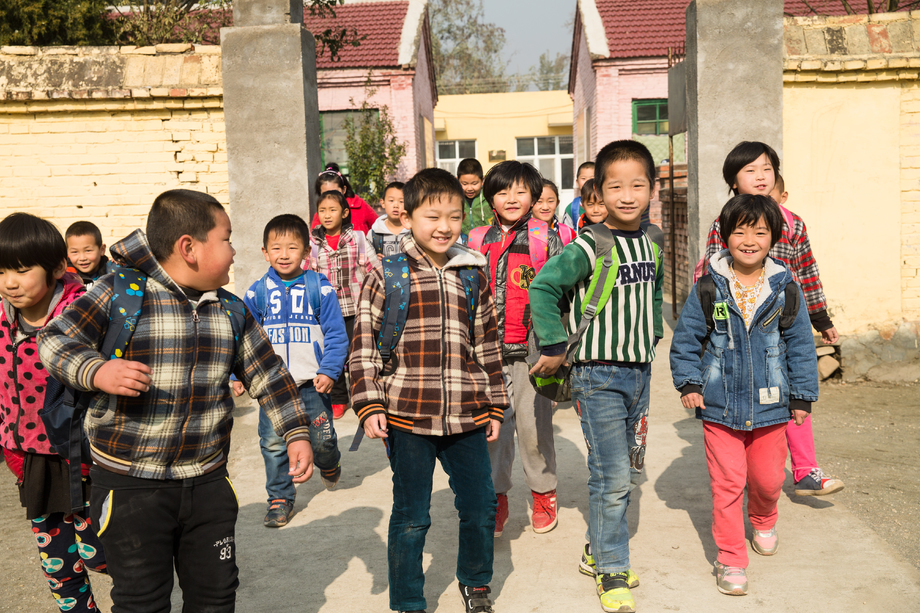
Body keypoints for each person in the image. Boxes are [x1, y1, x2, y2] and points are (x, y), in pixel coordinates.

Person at [37, 189, 315, 612]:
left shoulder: (231, 311)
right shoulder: (120, 295)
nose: (235, 251)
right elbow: (54, 340)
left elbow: (270, 375)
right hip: (130, 485)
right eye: (226, 239)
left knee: (215, 598)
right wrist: (97, 370)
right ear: (189, 247)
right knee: (141, 602)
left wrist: (295, 432)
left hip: (206, 483)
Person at [349, 167, 508, 613]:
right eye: (432, 216)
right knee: (412, 516)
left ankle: (476, 583)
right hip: (407, 415)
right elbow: (363, 344)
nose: (444, 227)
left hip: (467, 414)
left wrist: (496, 405)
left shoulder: (473, 274)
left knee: (480, 507)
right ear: (407, 217)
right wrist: (369, 403)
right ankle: (407, 600)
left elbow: (488, 346)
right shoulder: (387, 272)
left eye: (454, 217)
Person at [529, 140, 663, 613]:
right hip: (597, 375)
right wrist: (551, 342)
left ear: (653, 188)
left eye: (638, 185)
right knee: (613, 477)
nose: (627, 195)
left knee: (620, 471)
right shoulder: (590, 243)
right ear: (598, 193)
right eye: (615, 187)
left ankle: (596, 550)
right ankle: (611, 569)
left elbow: (651, 300)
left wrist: (650, 347)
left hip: (640, 375)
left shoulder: (655, 243)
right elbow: (543, 287)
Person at [670, 193, 819, 596]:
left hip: (772, 407)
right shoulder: (709, 287)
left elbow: (802, 344)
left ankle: (764, 515)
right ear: (724, 236)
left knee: (768, 480)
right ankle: (731, 558)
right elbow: (687, 340)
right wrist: (689, 382)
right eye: (740, 230)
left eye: (760, 230)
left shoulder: (785, 287)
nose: (749, 239)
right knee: (728, 483)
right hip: (720, 406)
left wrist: (802, 396)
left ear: (773, 238)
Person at [698, 142, 843, 497]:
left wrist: (821, 318)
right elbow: (709, 273)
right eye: (749, 170)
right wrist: (708, 323)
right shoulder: (725, 223)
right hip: (741, 327)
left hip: (784, 325)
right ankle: (752, 466)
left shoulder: (793, 223)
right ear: (733, 182)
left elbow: (807, 271)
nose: (760, 176)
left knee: (793, 392)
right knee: (751, 395)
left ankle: (806, 470)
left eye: (766, 169)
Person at [0, 213, 107, 613]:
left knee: (102, 554)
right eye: (2, 271)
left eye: (22, 270)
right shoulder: (2, 320)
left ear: (57, 267)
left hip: (86, 459)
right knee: (59, 566)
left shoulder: (83, 316)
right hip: (32, 461)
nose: (10, 282)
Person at [233, 214, 349, 527]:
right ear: (264, 252)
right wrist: (237, 374)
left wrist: (329, 369)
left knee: (322, 439)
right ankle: (280, 497)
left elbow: (337, 334)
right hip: (271, 387)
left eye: (292, 248)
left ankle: (329, 462)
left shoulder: (319, 290)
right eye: (277, 248)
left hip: (312, 384)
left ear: (306, 252)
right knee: (272, 444)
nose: (284, 254)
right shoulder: (256, 293)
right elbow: (242, 336)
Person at [471, 160, 564, 537]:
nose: (512, 198)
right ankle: (496, 497)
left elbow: (563, 296)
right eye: (503, 190)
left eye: (521, 191)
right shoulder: (477, 240)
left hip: (531, 351)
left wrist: (558, 348)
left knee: (533, 427)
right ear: (490, 196)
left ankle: (544, 491)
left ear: (534, 197)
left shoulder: (546, 239)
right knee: (492, 428)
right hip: (486, 351)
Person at [309, 190, 375, 419]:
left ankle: (360, 395)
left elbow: (372, 268)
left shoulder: (358, 238)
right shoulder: (313, 243)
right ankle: (338, 398)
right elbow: (307, 272)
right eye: (322, 211)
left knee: (356, 352)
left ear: (345, 212)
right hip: (326, 310)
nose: (327, 215)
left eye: (332, 210)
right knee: (331, 353)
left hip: (355, 306)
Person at [310, 164, 379, 234]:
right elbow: (314, 239)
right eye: (326, 193)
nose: (330, 197)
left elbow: (379, 228)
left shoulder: (360, 205)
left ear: (344, 189)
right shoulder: (321, 214)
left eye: (335, 192)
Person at [65, 221, 117, 291]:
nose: (82, 258)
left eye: (88, 251)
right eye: (74, 252)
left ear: (102, 250)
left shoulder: (112, 270)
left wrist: (123, 260)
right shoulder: (65, 276)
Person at [368, 181, 410, 259]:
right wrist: (374, 259)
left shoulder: (414, 233)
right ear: (383, 203)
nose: (396, 205)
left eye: (401, 201)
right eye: (391, 200)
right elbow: (366, 260)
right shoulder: (374, 234)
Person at [533, 178, 576, 245]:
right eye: (539, 201)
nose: (545, 207)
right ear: (530, 203)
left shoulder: (568, 233)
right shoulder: (521, 233)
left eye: (550, 201)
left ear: (557, 203)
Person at [457, 158, 492, 236]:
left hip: (487, 239)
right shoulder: (455, 199)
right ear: (457, 181)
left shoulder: (489, 197)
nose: (469, 188)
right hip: (462, 241)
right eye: (465, 184)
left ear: (482, 180)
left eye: (474, 183)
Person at [556, 161, 595, 228]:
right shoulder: (571, 208)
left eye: (592, 178)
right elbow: (567, 234)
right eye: (583, 178)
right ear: (577, 182)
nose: (587, 182)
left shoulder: (608, 205)